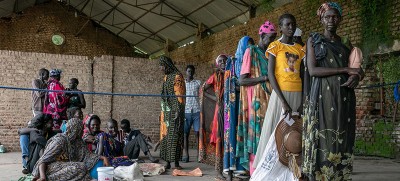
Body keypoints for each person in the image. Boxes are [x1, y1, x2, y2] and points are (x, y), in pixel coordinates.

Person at [302, 2, 363, 180]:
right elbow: (313, 70)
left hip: (345, 97)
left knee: (343, 136)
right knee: (325, 137)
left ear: (340, 19)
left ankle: (340, 177)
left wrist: (357, 77)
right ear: (321, 19)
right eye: (327, 16)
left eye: (335, 16)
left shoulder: (346, 43)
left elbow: (358, 69)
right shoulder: (314, 40)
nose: (331, 20)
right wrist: (345, 70)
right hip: (323, 97)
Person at [253, 14, 305, 172]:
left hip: (297, 94)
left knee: (294, 133)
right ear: (280, 27)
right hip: (281, 96)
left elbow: (302, 76)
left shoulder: (300, 49)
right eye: (287, 25)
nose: (291, 27)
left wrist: (303, 101)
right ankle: (271, 170)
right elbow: (271, 75)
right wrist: (282, 101)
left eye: (293, 24)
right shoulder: (275, 46)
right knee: (276, 131)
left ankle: (292, 170)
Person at [237, 21, 277, 176]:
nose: (272, 41)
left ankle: (266, 175)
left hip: (270, 101)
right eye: (270, 38)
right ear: (261, 35)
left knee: (268, 139)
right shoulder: (251, 51)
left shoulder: (270, 55)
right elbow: (242, 80)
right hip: (256, 103)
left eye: (274, 38)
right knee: (257, 140)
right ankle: (256, 175)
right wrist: (264, 77)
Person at [32, 118, 110, 181]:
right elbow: (43, 161)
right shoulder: (60, 141)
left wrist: (103, 158)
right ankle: (48, 178)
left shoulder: (78, 141)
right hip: (50, 169)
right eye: (80, 129)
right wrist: (43, 177)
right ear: (75, 129)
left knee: (81, 168)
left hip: (66, 166)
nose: (82, 132)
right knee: (80, 168)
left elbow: (87, 155)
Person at [199, 54, 227, 180]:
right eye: (220, 61)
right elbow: (203, 89)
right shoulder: (215, 77)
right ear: (217, 64)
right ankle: (218, 172)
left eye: (224, 60)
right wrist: (215, 99)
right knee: (220, 140)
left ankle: (231, 171)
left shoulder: (232, 74)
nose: (223, 62)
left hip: (232, 110)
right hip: (220, 111)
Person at [158, 56, 186, 169]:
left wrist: (178, 111)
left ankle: (176, 163)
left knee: (175, 136)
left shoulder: (177, 76)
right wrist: (162, 112)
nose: (161, 68)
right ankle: (168, 162)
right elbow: (163, 96)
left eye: (162, 66)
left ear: (166, 65)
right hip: (166, 112)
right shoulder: (166, 77)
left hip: (176, 112)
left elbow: (180, 96)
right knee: (166, 137)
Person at [182, 65, 201, 163]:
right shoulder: (182, 84)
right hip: (186, 111)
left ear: (194, 72)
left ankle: (198, 155)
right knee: (186, 134)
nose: (190, 73)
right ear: (186, 72)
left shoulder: (198, 83)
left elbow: (202, 94)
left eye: (192, 71)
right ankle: (186, 155)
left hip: (197, 111)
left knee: (198, 133)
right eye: (189, 71)